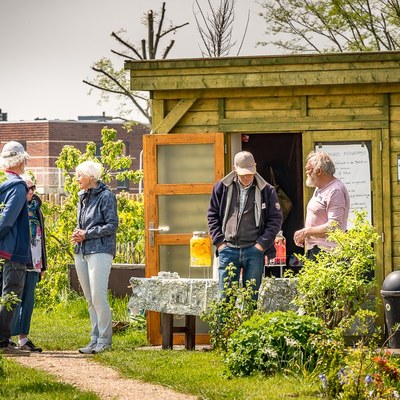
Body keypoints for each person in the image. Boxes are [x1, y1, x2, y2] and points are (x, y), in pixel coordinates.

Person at [207, 151, 282, 300]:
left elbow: (275, 220)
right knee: (225, 298)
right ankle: (226, 324)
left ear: (255, 168)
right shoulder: (221, 188)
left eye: (250, 173)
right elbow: (212, 215)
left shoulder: (267, 190)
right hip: (227, 250)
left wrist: (261, 245)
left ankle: (249, 323)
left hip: (254, 250)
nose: (247, 177)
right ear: (235, 170)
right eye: (243, 174)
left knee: (251, 298)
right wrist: (220, 243)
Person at [71, 160, 118, 354]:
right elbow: (83, 224)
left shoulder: (106, 196)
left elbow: (112, 225)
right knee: (90, 299)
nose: (77, 179)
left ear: (91, 177)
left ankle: (105, 340)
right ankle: (94, 338)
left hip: (100, 250)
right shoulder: (82, 197)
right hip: (81, 251)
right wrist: (77, 234)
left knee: (99, 297)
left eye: (79, 175)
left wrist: (86, 233)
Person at [0, 141, 31, 356]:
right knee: (10, 294)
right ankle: (3, 342)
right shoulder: (19, 187)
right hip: (13, 250)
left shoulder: (3, 184)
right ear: (21, 161)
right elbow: (7, 220)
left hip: (3, 249)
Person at [12, 174, 47, 352]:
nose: (31, 192)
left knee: (28, 301)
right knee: (13, 300)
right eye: (28, 188)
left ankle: (23, 339)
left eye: (33, 188)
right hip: (17, 261)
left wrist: (43, 266)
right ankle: (7, 338)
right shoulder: (15, 207)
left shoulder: (36, 208)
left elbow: (42, 238)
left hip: (35, 262)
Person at [293, 151, 350, 260]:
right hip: (316, 250)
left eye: (308, 169)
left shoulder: (335, 190)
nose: (306, 172)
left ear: (319, 171)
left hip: (327, 253)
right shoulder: (319, 188)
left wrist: (306, 232)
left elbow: (334, 226)